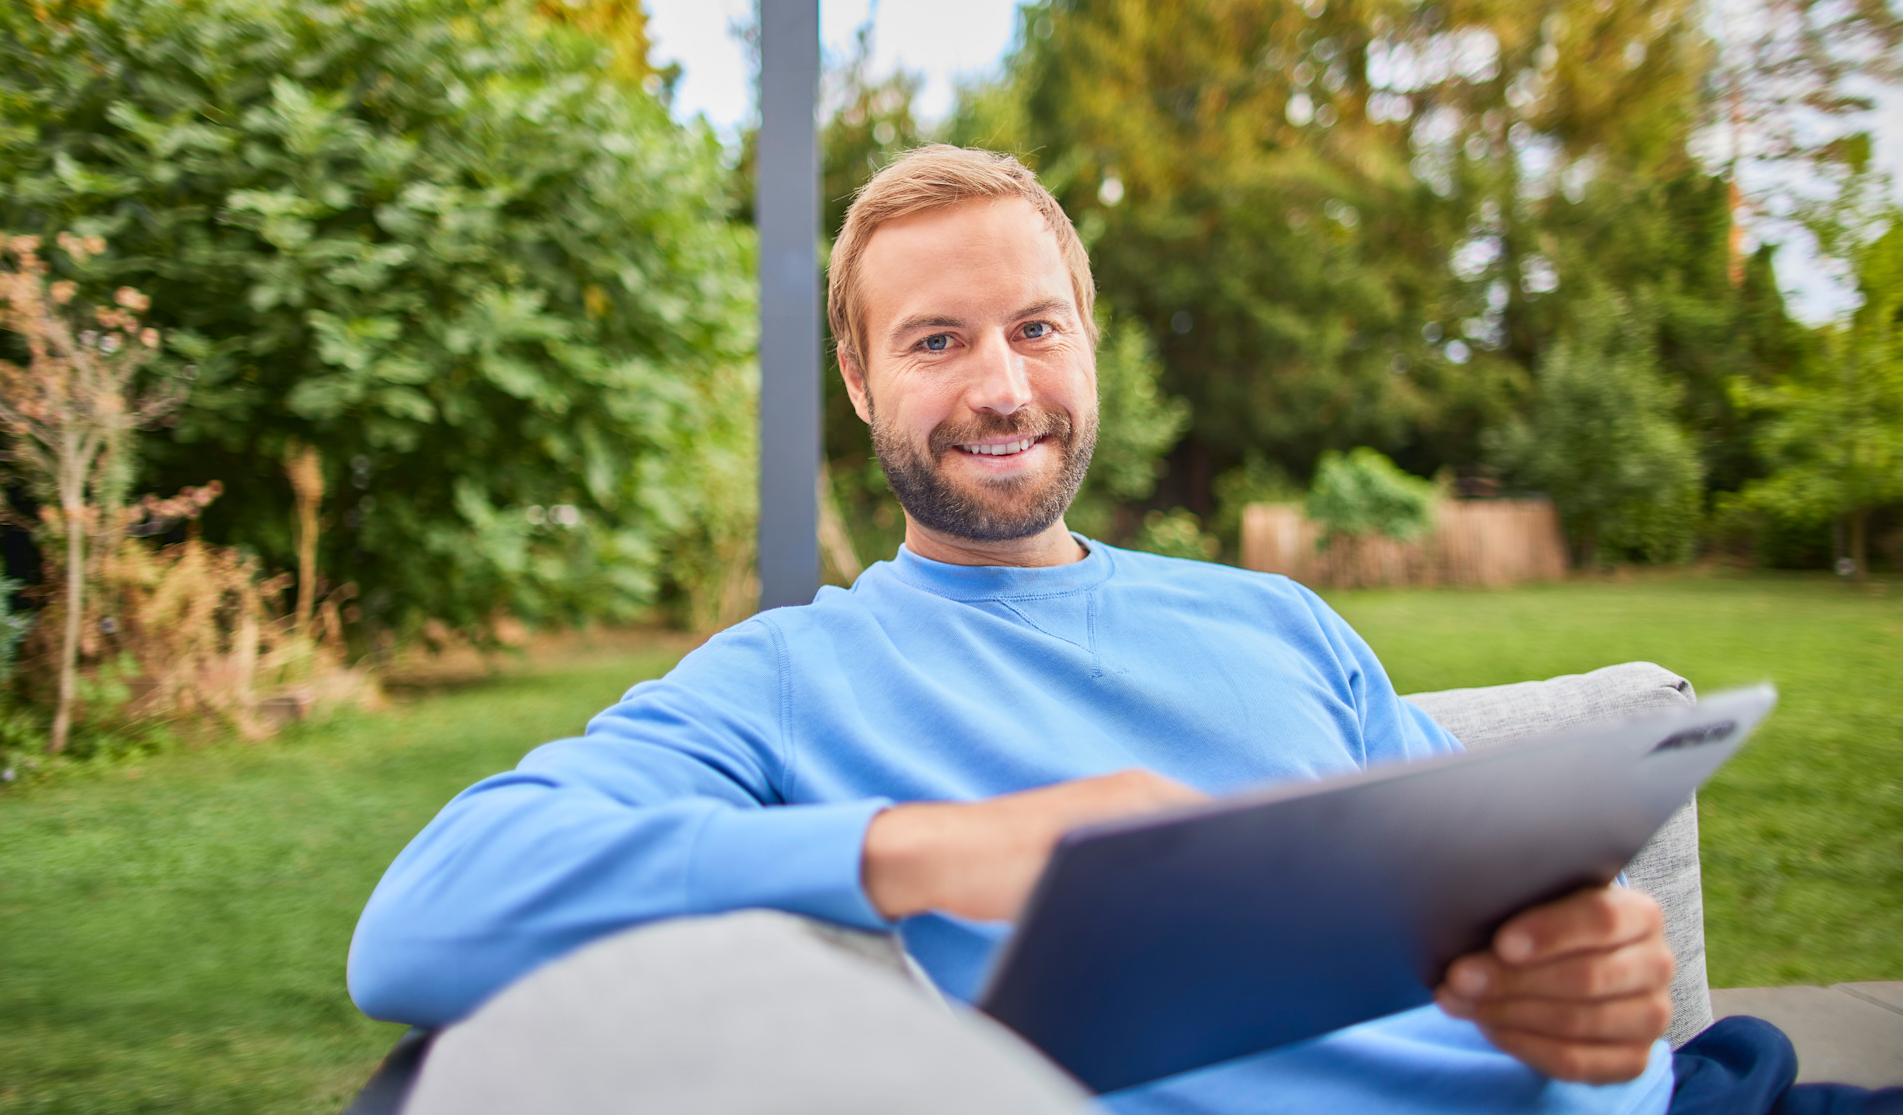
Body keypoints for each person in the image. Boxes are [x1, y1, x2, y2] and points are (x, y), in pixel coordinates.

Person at [349, 146, 1683, 1115]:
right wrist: (947, 847)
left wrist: (1610, 998)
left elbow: (1518, 893)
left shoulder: (1279, 617)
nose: (1002, 387)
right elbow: (416, 923)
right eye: (936, 341)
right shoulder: (790, 676)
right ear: (863, 384)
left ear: (1088, 345)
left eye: (1037, 328)